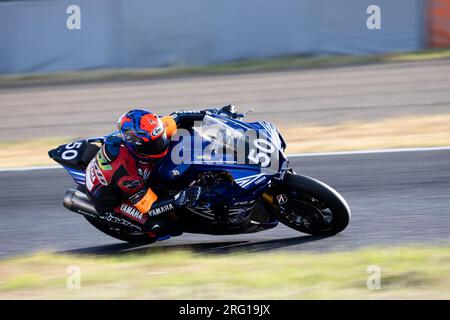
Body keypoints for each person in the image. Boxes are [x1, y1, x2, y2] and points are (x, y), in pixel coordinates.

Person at [85, 105, 239, 239]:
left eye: (161, 138)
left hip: (139, 172)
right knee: (164, 227)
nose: (160, 145)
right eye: (153, 144)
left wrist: (217, 114)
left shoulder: (153, 129)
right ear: (136, 146)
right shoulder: (127, 173)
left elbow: (181, 116)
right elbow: (149, 207)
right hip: (113, 200)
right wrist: (179, 198)